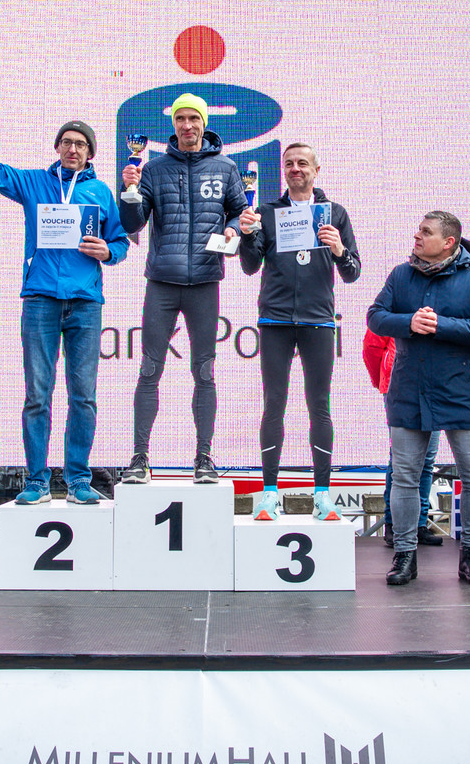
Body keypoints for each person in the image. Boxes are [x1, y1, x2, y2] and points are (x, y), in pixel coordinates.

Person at [0, 81, 129, 505]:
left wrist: (108, 251)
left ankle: (78, 479)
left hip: (85, 303)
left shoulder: (100, 192)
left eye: (80, 144)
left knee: (84, 397)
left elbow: (121, 242)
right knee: (37, 395)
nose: (73, 149)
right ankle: (37, 481)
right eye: (66, 142)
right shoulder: (35, 183)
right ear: (57, 148)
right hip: (40, 298)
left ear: (90, 154)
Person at [117, 93, 247, 484]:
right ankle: (139, 458)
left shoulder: (225, 168)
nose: (187, 125)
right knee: (149, 369)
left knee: (204, 372)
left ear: (204, 123)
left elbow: (241, 211)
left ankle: (204, 458)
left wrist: (234, 228)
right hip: (162, 282)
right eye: (180, 119)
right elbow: (133, 224)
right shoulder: (154, 168)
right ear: (173, 124)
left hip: (204, 282)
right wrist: (130, 192)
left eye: (193, 118)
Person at [367, 211, 470, 586]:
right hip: (409, 390)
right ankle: (404, 555)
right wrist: (408, 322)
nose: (417, 236)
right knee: (405, 478)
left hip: (461, 391)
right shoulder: (400, 275)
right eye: (418, 230)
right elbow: (376, 316)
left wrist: (442, 325)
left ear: (448, 242)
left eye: (425, 232)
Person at [238, 143, 361, 521]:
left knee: (319, 406)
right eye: (289, 163)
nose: (295, 168)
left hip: (318, 320)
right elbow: (249, 266)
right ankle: (269, 494)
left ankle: (322, 495)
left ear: (316, 170)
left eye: (302, 163)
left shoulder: (334, 213)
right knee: (274, 403)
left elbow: (353, 272)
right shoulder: (267, 212)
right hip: (275, 320)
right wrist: (248, 234)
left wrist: (339, 249)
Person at [362, 329, 444, 547]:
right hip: (399, 385)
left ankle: (419, 524)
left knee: (427, 458)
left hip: (434, 386)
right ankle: (395, 524)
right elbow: (372, 347)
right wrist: (383, 378)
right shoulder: (391, 308)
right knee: (401, 458)